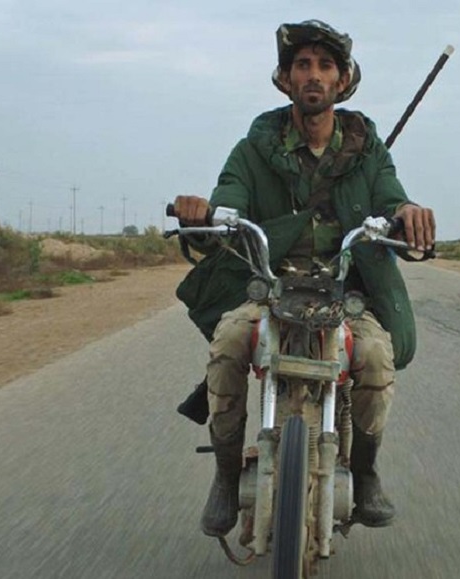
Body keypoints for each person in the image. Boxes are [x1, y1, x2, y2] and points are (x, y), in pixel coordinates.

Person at [171, 19, 435, 537]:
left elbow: (391, 197)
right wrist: (201, 215)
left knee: (375, 356)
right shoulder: (254, 148)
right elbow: (229, 201)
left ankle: (366, 472)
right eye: (303, 65)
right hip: (271, 286)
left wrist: (407, 213)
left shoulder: (368, 150)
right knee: (228, 345)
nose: (314, 74)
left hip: (345, 289)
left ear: (342, 80)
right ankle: (225, 476)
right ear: (286, 78)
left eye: (326, 65)